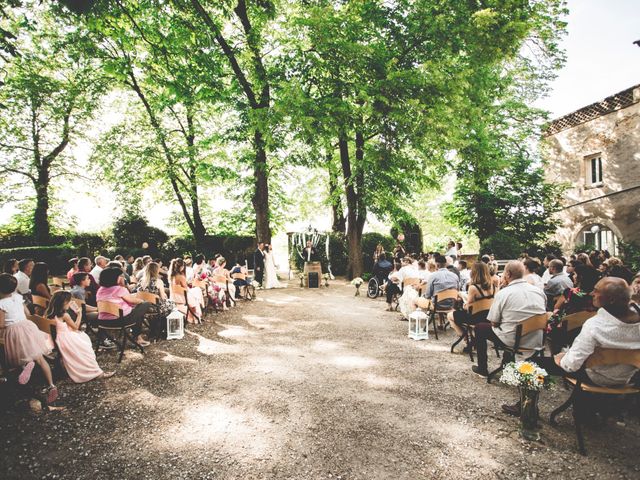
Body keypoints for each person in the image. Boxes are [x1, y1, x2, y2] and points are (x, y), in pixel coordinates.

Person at [533, 278, 640, 387]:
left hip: (597, 377)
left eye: (596, 291)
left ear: (611, 299)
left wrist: (561, 359)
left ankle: (529, 400)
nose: (592, 293)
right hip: (629, 377)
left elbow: (571, 365)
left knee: (531, 363)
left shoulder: (595, 325)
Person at [472, 261, 546, 377]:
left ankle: (483, 369)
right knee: (509, 326)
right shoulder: (539, 292)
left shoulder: (503, 293)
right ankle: (507, 363)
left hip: (514, 339)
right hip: (535, 339)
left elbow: (494, 323)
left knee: (480, 327)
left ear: (508, 274)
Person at [0, 274, 58, 403]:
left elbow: (1, 324)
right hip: (28, 327)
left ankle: (26, 366)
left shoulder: (1, 304)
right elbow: (27, 313)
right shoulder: (18, 297)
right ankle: (51, 385)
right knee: (40, 358)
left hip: (14, 330)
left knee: (17, 357)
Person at [46, 291, 114, 383]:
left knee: (82, 339)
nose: (70, 303)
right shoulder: (64, 315)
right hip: (66, 340)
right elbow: (76, 327)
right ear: (64, 303)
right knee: (86, 347)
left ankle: (93, 370)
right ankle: (96, 373)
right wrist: (79, 314)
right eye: (69, 301)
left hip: (57, 339)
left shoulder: (48, 314)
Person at [96, 267, 152, 346]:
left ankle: (138, 338)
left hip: (103, 321)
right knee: (145, 304)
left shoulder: (100, 290)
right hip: (120, 320)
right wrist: (142, 301)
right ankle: (138, 338)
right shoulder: (119, 289)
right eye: (121, 276)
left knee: (136, 314)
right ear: (115, 278)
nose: (123, 277)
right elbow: (132, 301)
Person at [448, 261, 496, 349]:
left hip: (474, 318)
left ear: (474, 272)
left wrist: (463, 300)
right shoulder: (492, 286)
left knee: (450, 315)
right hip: (488, 317)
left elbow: (468, 307)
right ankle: (471, 337)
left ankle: (467, 339)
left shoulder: (473, 288)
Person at [135, 262, 175, 335]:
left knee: (168, 304)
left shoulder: (141, 281)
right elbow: (163, 298)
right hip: (156, 307)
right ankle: (164, 327)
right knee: (172, 304)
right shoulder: (158, 281)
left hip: (144, 307)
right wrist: (165, 296)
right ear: (156, 271)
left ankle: (154, 326)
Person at [169, 258, 203, 322]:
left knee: (195, 292)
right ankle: (196, 315)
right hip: (182, 297)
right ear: (181, 267)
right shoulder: (181, 277)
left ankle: (194, 314)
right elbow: (186, 289)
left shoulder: (171, 276)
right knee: (197, 290)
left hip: (174, 296)